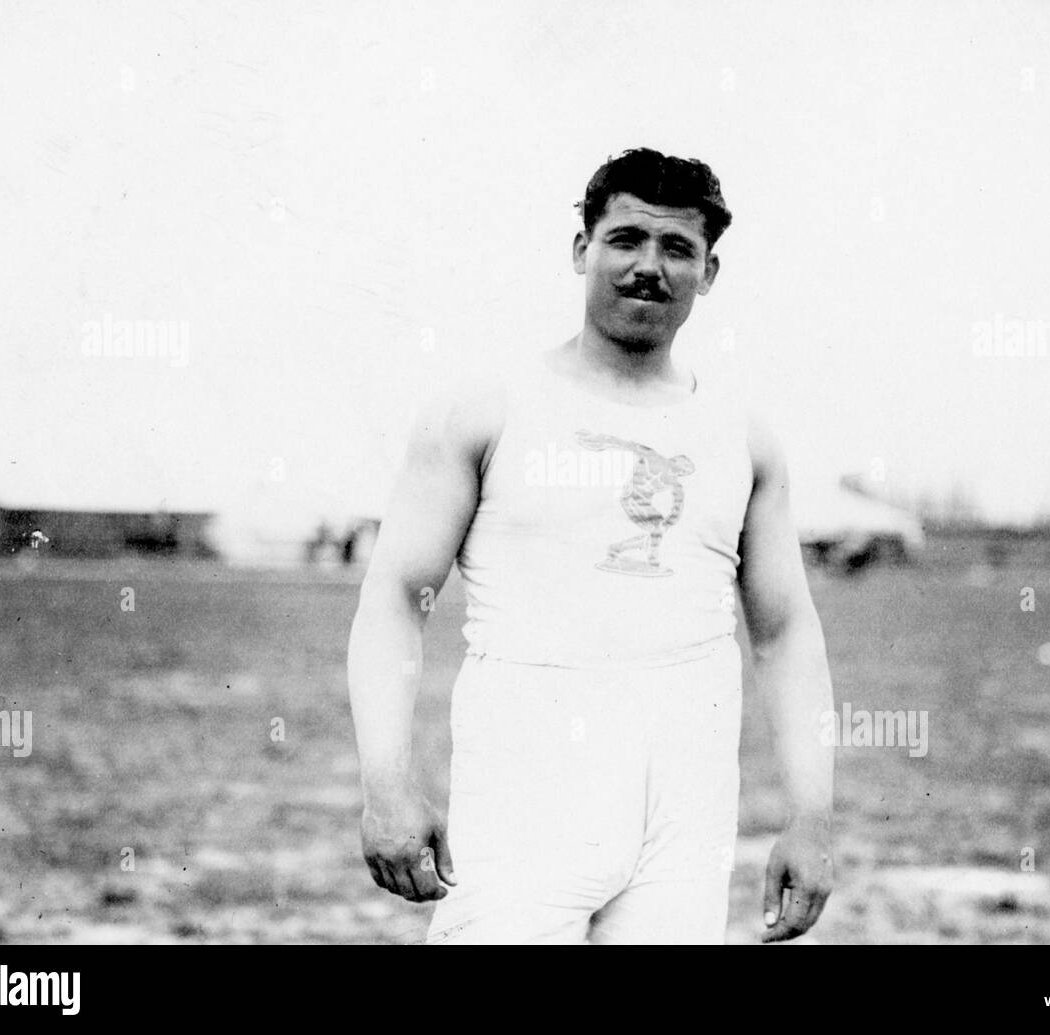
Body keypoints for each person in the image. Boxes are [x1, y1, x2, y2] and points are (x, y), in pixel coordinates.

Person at [347, 148, 834, 944]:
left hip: (687, 792)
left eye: (677, 248)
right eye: (626, 239)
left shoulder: (743, 438)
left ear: (709, 271)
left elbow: (786, 634)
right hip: (525, 778)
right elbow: (395, 600)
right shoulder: (487, 410)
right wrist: (386, 783)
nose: (649, 266)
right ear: (582, 251)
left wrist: (814, 816)